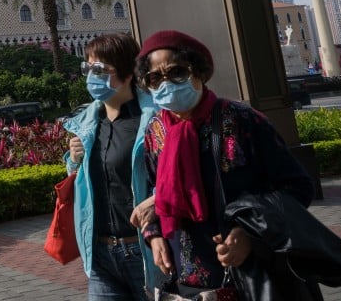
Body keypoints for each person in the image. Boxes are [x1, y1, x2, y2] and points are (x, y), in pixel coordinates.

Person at [135, 30, 317, 299]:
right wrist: (154, 235)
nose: (166, 83)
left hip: (252, 274)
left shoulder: (243, 120)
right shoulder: (155, 131)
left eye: (176, 72)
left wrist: (250, 236)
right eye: (155, 77)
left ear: (198, 72)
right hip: (186, 277)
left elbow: (297, 187)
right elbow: (155, 190)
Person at [63, 33, 161, 301]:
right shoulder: (88, 124)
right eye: (88, 68)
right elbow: (81, 181)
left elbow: (174, 177)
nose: (91, 76)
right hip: (101, 254)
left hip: (145, 250)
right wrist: (74, 160)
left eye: (100, 69)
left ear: (128, 74)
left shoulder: (153, 123)